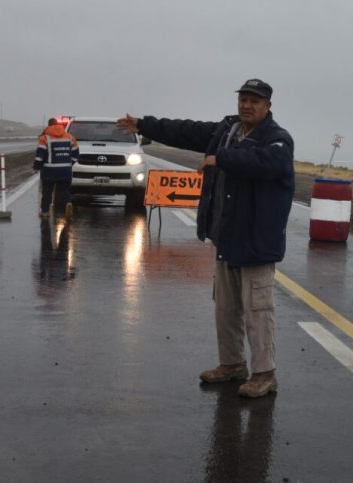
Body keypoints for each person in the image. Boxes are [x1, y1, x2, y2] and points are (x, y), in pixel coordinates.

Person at [116, 79, 294, 398]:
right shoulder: (225, 130)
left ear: (268, 107)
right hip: (226, 237)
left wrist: (220, 159)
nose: (247, 105)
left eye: (255, 100)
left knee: (258, 309)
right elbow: (185, 130)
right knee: (225, 308)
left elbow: (268, 166)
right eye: (243, 99)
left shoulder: (277, 139)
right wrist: (144, 124)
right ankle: (232, 364)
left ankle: (264, 374)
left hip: (256, 241)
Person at [33, 118, 79, 218]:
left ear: (48, 126)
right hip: (65, 170)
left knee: (47, 192)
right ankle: (67, 203)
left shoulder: (44, 138)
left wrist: (37, 167)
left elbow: (39, 156)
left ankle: (45, 212)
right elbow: (76, 154)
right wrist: (69, 163)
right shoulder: (70, 137)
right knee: (64, 190)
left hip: (49, 171)